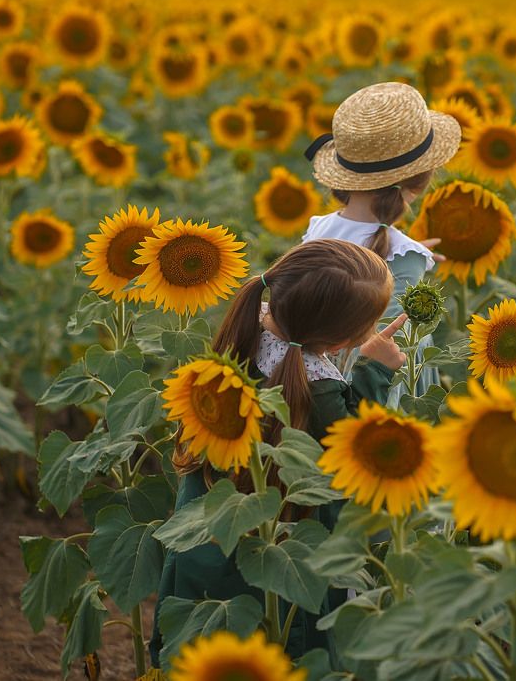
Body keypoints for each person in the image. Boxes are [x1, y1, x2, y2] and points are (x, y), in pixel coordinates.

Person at [149, 238, 408, 667]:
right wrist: (374, 371)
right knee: (280, 645)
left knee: (203, 642)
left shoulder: (242, 338)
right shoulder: (319, 388)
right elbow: (353, 449)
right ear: (341, 338)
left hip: (209, 533)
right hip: (283, 543)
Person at [302, 81, 461, 396]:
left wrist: (410, 252)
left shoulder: (317, 228)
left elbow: (352, 261)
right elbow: (390, 349)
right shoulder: (402, 257)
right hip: (371, 393)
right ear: (422, 179)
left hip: (314, 385)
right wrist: (408, 259)